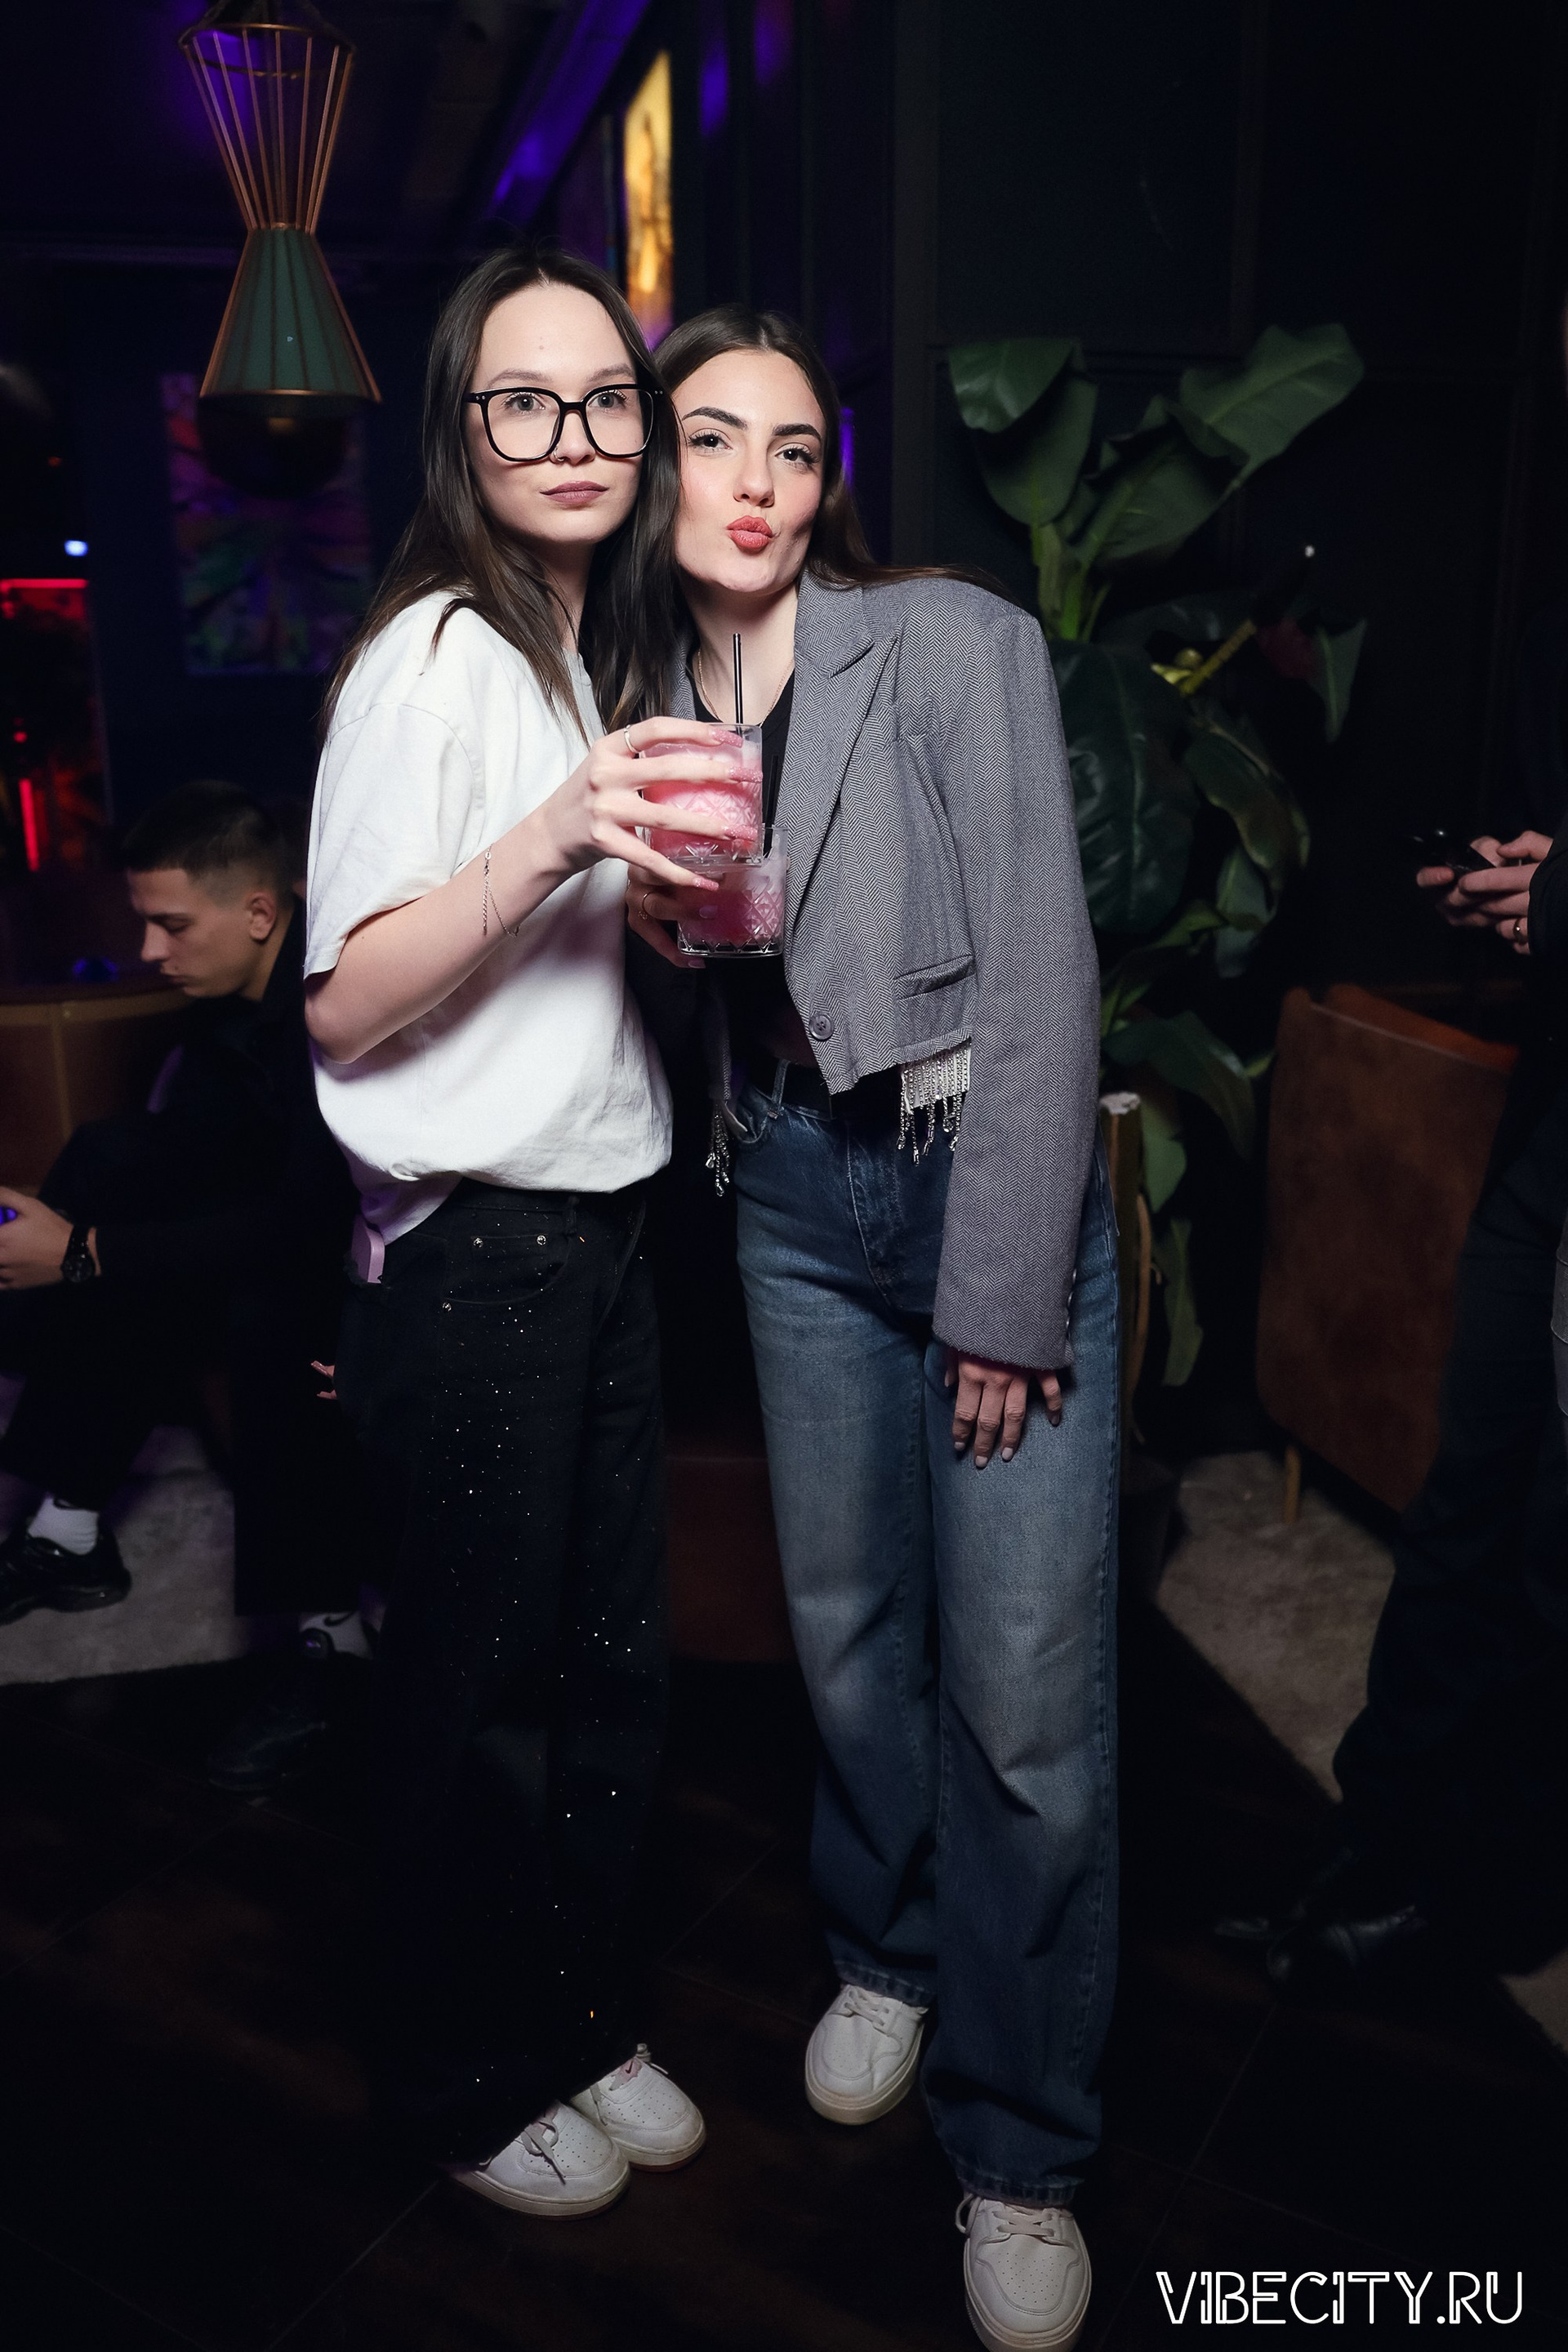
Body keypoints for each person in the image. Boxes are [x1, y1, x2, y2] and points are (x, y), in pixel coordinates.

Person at [630, 308, 1118, 2352]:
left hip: (969, 1171)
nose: (755, 482)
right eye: (711, 438)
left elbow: (1045, 972)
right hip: (787, 1195)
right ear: (651, 462)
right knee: (846, 1631)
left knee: (1022, 1694)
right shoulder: (635, 690)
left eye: (795, 447)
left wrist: (1003, 1291)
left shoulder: (949, 641)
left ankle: (1021, 2147)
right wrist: (654, 931)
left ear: (830, 480)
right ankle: (890, 1951)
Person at [305, 243, 746, 2216]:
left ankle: (570, 2012)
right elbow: (341, 1001)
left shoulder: (573, 654)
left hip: (598, 1238)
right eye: (524, 399)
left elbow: (544, 963)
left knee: (602, 1669)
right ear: (463, 433)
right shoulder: (433, 655)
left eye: (605, 399)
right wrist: (557, 836)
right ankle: (456, 2073)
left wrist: (643, 910)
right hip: (478, 1255)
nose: (572, 434)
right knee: (476, 1695)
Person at [1253, 603, 1568, 1989]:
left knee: (1551, 1541)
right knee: (1468, 1494)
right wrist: (1509, 886)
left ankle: (1497, 1890)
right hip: (1550, 1113)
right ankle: (1386, 1833)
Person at [0, 782, 372, 1787]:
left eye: (170, 925)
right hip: (281, 1215)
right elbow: (202, 1158)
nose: (149, 950)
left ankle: (336, 1642)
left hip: (369, 1260)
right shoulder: (222, 1007)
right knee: (111, 1159)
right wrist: (77, 1234)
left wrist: (82, 1254)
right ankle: (69, 1530)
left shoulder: (332, 1000)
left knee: (263, 1304)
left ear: (258, 912)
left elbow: (302, 1228)